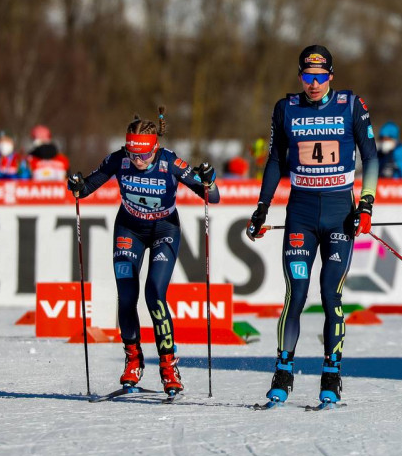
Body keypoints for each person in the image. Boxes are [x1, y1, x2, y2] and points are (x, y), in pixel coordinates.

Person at [245, 44, 378, 407]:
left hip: (339, 213)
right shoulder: (286, 108)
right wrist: (261, 208)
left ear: (331, 76)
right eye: (307, 76)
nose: (314, 83)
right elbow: (275, 160)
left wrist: (365, 204)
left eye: (320, 77)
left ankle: (332, 374)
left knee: (330, 293)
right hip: (301, 214)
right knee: (296, 294)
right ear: (300, 76)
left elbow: (371, 157)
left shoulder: (351, 105)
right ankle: (283, 371)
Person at [67, 107, 219, 396]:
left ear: (155, 148)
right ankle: (133, 359)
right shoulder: (118, 159)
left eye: (144, 156)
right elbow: (86, 188)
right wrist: (76, 185)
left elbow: (212, 196)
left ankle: (168, 364)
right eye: (133, 155)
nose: (137, 161)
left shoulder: (169, 162)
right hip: (129, 230)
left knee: (154, 294)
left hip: (164, 231)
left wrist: (208, 179)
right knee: (126, 296)